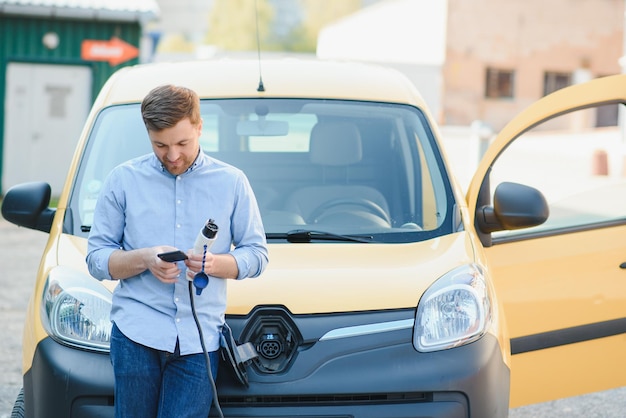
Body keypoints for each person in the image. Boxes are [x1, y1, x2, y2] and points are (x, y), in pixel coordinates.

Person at [86, 84, 268, 418]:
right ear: (148, 135)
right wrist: (145, 259)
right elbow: (97, 259)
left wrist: (215, 263)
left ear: (199, 128)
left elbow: (257, 255)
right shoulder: (122, 181)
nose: (172, 156)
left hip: (199, 344)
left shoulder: (232, 182)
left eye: (182, 143)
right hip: (135, 337)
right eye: (160, 145)